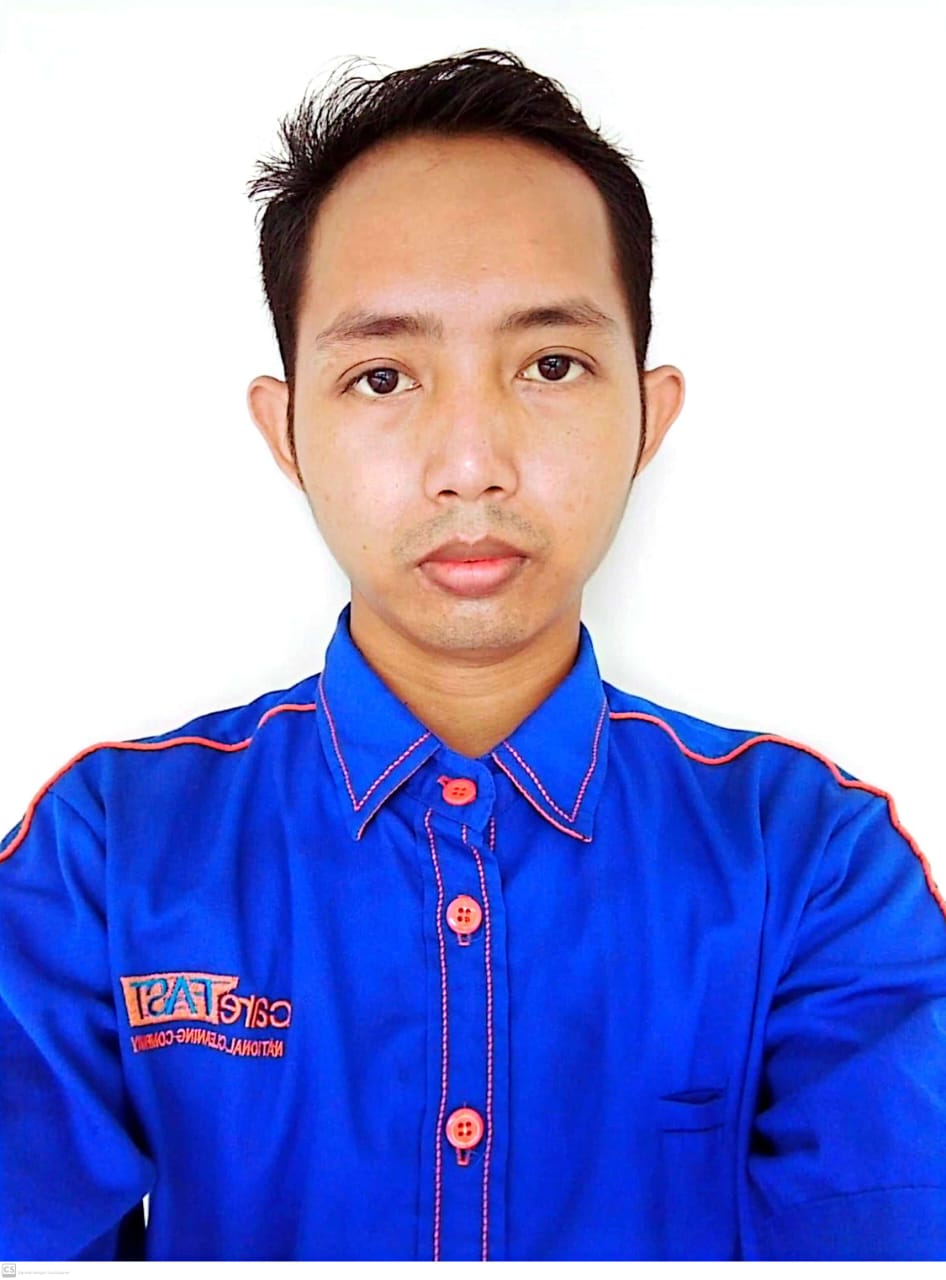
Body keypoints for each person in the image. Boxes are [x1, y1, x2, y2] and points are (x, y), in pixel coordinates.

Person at [1, 47, 944, 1263]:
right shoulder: (109, 854)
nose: (468, 463)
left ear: (647, 415)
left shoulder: (808, 859)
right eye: (382, 375)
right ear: (286, 431)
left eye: (550, 364)